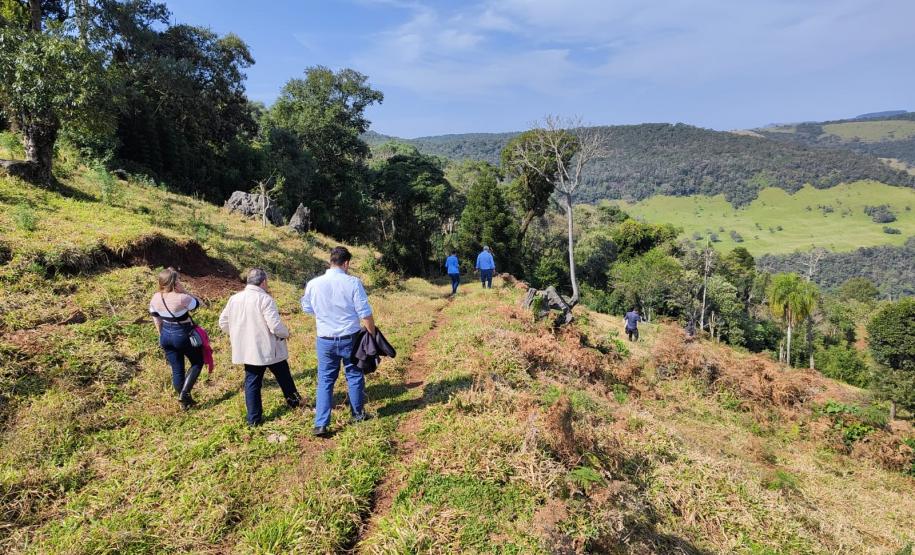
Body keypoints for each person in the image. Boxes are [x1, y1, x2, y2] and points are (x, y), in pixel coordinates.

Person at [301, 246, 376, 437]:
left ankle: (321, 424)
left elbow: (307, 308)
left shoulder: (313, 283)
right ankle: (357, 414)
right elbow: (365, 313)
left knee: (325, 380)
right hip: (350, 337)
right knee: (354, 374)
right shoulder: (353, 282)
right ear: (346, 263)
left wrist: (324, 314)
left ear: (330, 262)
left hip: (324, 338)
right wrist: (372, 335)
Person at [219, 268, 302, 427]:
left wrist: (238, 333)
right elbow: (275, 326)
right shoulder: (265, 299)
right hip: (268, 348)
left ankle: (254, 420)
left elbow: (223, 322)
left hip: (247, 349)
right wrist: (286, 333)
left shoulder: (234, 298)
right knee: (284, 376)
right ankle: (295, 403)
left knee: (252, 383)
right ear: (263, 282)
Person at [149, 268, 204, 410]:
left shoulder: (155, 297)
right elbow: (198, 303)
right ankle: (184, 394)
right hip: (183, 333)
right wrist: (184, 291)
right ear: (174, 282)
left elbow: (156, 319)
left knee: (177, 369)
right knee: (198, 362)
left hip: (165, 334)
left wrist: (161, 335)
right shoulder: (182, 298)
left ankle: (184, 404)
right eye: (178, 280)